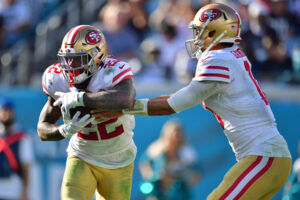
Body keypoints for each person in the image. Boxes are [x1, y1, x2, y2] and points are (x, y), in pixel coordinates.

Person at [92, 3, 292, 200]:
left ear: (215, 32)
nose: (196, 38)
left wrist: (123, 108)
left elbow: (174, 104)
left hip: (263, 156)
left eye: (200, 31)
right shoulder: (231, 55)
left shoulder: (217, 58)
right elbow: (178, 97)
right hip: (270, 156)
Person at [37, 25, 137, 200]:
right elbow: (42, 129)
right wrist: (63, 131)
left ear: (97, 57)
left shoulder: (112, 72)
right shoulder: (57, 79)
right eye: (66, 59)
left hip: (118, 159)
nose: (69, 66)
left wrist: (81, 99)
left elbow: (125, 99)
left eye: (77, 59)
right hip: (82, 155)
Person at [138, 118, 201, 200]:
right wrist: (151, 176)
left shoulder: (187, 152)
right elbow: (144, 162)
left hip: (178, 190)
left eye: (179, 133)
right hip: (159, 189)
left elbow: (198, 171)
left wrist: (185, 181)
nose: (176, 136)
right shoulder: (157, 149)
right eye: (174, 133)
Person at [0, 97, 33, 200]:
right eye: (4, 110)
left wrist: (25, 192)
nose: (6, 114)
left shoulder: (21, 137)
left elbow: (26, 166)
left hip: (13, 189)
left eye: (9, 110)